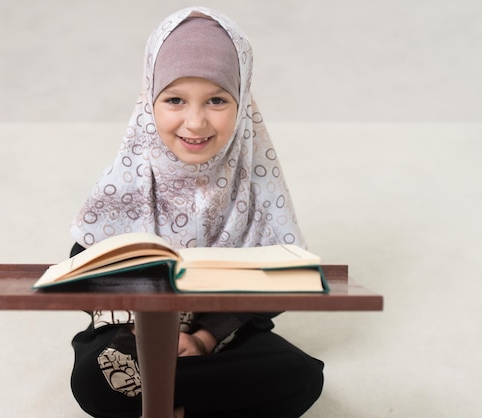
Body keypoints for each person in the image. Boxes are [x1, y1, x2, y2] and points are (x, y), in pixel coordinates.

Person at [68, 6, 324, 418]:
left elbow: (279, 278)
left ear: (241, 104)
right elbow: (84, 271)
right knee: (98, 379)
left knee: (302, 376)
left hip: (224, 339)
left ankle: (168, 403)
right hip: (130, 337)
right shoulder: (130, 177)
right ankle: (191, 399)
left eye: (217, 100)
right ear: (150, 103)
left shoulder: (252, 178)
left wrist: (204, 337)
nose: (195, 121)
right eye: (174, 100)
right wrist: (143, 330)